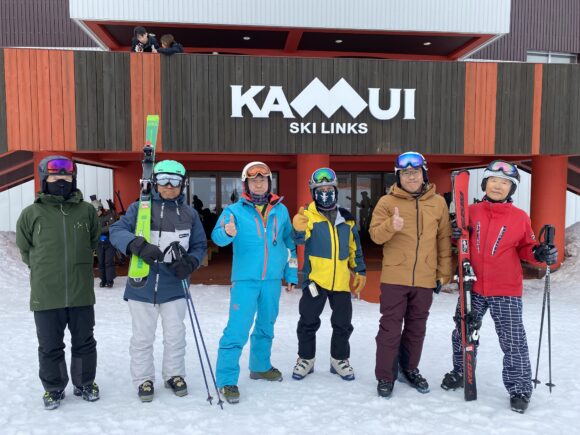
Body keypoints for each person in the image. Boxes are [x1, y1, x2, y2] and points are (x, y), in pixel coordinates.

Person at [440, 160, 558, 414]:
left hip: (506, 289)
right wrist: (453, 233)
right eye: (493, 180)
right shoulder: (470, 211)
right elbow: (458, 241)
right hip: (472, 286)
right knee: (462, 332)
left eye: (504, 183)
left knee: (513, 340)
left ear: (511, 188)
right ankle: (461, 371)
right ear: (485, 184)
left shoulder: (519, 217)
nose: (498, 186)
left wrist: (540, 253)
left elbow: (527, 248)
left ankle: (519, 388)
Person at [109, 160, 207, 402]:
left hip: (175, 284)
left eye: (175, 181)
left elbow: (199, 245)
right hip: (142, 283)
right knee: (142, 337)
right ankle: (143, 379)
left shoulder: (189, 214)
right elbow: (116, 231)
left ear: (183, 184)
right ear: (154, 182)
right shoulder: (139, 208)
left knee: (175, 335)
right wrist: (136, 244)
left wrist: (190, 263)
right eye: (163, 179)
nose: (169, 185)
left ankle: (174, 374)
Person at [16, 156, 100, 410]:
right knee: (50, 345)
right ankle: (54, 388)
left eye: (66, 176)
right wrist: (45, 268)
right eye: (55, 176)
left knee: (84, 341)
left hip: (80, 291)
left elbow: (93, 241)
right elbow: (25, 248)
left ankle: (85, 383)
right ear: (45, 180)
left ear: (73, 179)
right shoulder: (31, 213)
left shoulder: (86, 211)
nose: (61, 180)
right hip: (46, 292)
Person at [211, 161, 298, 404]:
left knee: (266, 325)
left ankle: (260, 366)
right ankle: (227, 380)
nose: (259, 183)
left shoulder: (281, 210)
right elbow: (217, 238)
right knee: (237, 329)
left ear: (269, 182)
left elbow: (289, 244)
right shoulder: (234, 211)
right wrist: (227, 233)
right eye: (253, 180)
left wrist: (291, 274)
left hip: (272, 280)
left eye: (263, 179)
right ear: (246, 184)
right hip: (245, 280)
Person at [369, 151, 452, 399]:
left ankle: (409, 369)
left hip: (425, 277)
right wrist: (390, 226)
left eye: (415, 172)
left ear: (423, 173)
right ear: (398, 177)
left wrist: (443, 273)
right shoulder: (387, 202)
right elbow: (375, 235)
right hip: (395, 277)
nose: (411, 177)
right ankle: (386, 376)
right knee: (390, 329)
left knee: (417, 329)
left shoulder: (438, 203)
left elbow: (443, 239)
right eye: (405, 173)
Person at [291, 167, 366, 381]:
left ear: (335, 190)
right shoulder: (308, 215)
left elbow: (354, 248)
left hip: (340, 281)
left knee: (343, 323)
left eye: (329, 189)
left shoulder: (347, 219)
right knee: (308, 322)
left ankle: (339, 360)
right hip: (315, 280)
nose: (325, 193)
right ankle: (306, 359)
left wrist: (359, 271)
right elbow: (298, 240)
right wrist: (297, 228)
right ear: (313, 193)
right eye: (320, 190)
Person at [91, 197, 117, 288]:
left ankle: (110, 280)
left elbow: (112, 226)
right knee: (101, 262)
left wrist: (99, 230)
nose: (96, 213)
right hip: (99, 243)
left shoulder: (109, 215)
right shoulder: (93, 218)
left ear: (101, 208)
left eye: (97, 211)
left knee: (108, 262)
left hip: (109, 242)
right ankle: (103, 280)